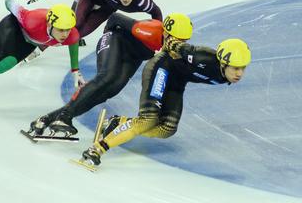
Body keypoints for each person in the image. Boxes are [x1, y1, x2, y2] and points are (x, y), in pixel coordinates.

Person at [81, 37, 252, 166]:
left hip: (176, 82)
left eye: (243, 68)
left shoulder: (227, 75)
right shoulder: (202, 57)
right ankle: (97, 149)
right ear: (222, 64)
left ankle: (118, 123)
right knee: (148, 119)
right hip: (161, 69)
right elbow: (172, 42)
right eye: (236, 68)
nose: (240, 74)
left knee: (167, 129)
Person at [25, 12, 193, 136]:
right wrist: (106, 35)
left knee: (109, 91)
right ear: (165, 32)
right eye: (174, 38)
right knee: (106, 77)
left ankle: (47, 119)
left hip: (133, 55)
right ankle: (65, 116)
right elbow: (114, 18)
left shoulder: (177, 50)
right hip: (115, 40)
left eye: (182, 40)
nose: (177, 43)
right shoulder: (148, 30)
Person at [17, 0, 163, 88]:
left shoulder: (142, 0)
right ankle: (38, 47)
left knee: (78, 34)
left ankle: (42, 46)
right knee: (74, 25)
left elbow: (156, 13)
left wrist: (158, 42)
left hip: (107, 7)